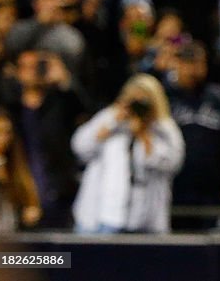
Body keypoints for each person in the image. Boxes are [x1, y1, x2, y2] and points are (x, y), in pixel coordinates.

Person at [71, 74, 185, 234]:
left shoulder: (164, 127)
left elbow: (173, 163)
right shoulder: (110, 116)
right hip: (101, 214)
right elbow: (80, 147)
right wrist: (113, 122)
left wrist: (143, 134)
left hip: (146, 219)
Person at [0, 50, 87, 228]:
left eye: (37, 66)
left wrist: (65, 81)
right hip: (21, 191)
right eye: (26, 67)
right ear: (17, 71)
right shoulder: (9, 107)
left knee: (60, 255)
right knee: (18, 255)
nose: (33, 72)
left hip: (59, 191)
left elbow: (85, 111)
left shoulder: (60, 101)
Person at [163, 42, 220, 214]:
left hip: (211, 185)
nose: (194, 69)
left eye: (199, 63)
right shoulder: (165, 97)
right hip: (174, 184)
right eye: (189, 62)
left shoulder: (219, 98)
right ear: (177, 63)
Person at [0, 107, 41, 232]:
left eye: (7, 133)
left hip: (10, 235)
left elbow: (31, 202)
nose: (3, 138)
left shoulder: (16, 165)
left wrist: (30, 212)